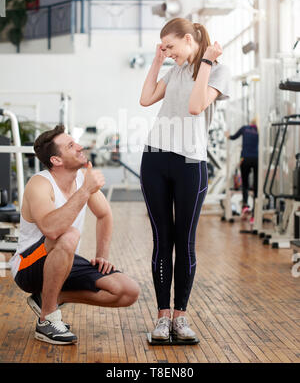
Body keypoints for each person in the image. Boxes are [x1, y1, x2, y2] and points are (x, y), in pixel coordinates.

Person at [139, 18, 230, 341]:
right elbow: (146, 98)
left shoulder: (217, 70)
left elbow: (195, 106)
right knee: (162, 240)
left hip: (191, 162)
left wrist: (205, 61)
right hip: (155, 157)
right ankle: (162, 318)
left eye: (172, 47)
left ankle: (181, 317)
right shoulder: (173, 69)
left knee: (185, 241)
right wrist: (157, 60)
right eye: (165, 48)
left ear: (189, 39)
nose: (169, 53)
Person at [9, 125, 140, 345]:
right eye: (71, 145)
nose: (79, 146)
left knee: (128, 291)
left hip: (62, 262)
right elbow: (51, 230)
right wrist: (85, 191)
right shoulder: (39, 184)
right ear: (56, 160)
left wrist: (102, 255)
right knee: (68, 234)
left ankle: (52, 297)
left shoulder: (80, 179)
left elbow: (105, 214)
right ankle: (47, 319)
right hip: (27, 267)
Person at [225, 119, 259, 224]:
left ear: (250, 122)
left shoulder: (244, 128)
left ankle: (245, 205)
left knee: (245, 183)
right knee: (256, 185)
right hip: (256, 159)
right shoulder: (259, 131)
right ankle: (255, 214)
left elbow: (233, 137)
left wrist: (227, 135)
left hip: (245, 159)